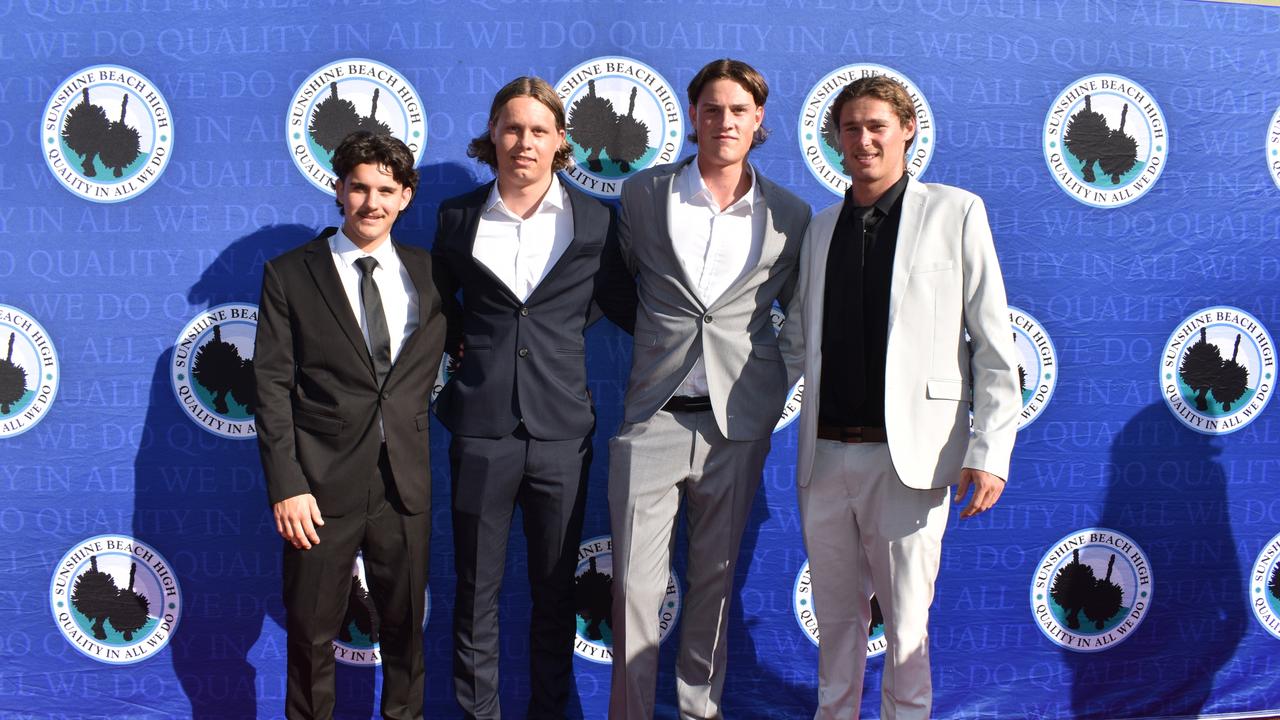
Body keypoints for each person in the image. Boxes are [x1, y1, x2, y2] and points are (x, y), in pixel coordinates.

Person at [785, 75, 1021, 720]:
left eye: (876, 126)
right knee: (837, 626)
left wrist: (991, 447)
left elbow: (993, 344)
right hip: (824, 457)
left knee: (908, 632)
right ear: (833, 138)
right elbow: (795, 345)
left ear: (908, 130)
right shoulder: (820, 228)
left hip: (909, 460)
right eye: (851, 128)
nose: (862, 140)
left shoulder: (956, 212)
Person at [604, 58, 811, 720]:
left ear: (759, 122)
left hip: (737, 424)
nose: (726, 122)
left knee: (715, 587)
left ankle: (699, 712)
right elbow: (621, 286)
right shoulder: (644, 195)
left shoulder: (791, 214)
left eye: (740, 111)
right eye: (713, 109)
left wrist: (771, 382)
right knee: (634, 591)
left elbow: (799, 316)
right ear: (693, 117)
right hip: (652, 418)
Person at [431, 76, 635, 720]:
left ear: (561, 142)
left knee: (553, 596)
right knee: (474, 595)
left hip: (561, 432)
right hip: (481, 428)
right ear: (492, 135)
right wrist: (468, 357)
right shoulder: (456, 216)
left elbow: (623, 305)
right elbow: (438, 306)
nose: (525, 142)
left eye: (539, 130)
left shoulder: (597, 221)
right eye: (513, 128)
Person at [254, 132, 447, 720]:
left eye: (386, 190)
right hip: (318, 489)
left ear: (407, 197)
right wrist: (287, 484)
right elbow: (270, 388)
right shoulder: (290, 274)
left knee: (406, 635)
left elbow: (456, 348)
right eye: (359, 188)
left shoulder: (430, 273)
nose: (372, 203)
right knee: (311, 638)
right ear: (338, 189)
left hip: (404, 485)